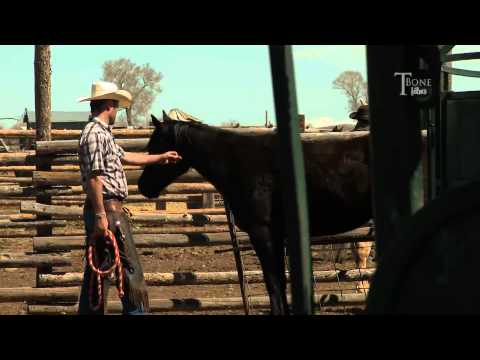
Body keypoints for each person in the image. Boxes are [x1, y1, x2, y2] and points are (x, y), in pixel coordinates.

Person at [76, 81, 182, 315]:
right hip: (108, 210)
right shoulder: (95, 134)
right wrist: (101, 215)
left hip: (108, 210)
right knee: (129, 271)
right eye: (116, 106)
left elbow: (126, 157)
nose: (117, 111)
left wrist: (160, 157)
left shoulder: (102, 134)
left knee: (100, 273)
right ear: (109, 105)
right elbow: (94, 178)